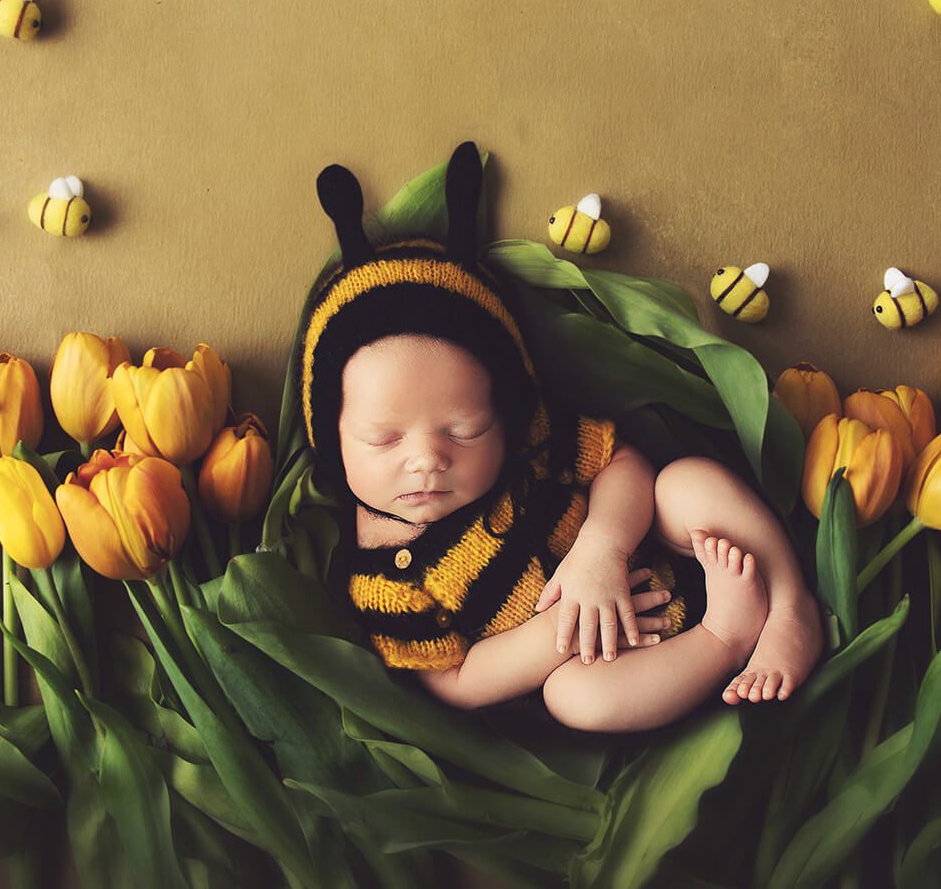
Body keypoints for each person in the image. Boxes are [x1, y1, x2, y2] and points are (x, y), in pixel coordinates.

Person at [299, 141, 824, 732]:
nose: (426, 458)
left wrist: (601, 549)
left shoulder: (531, 441)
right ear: (331, 435)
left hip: (663, 555)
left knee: (685, 482)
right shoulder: (384, 580)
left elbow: (621, 461)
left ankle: (787, 605)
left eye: (465, 430)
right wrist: (561, 628)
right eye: (382, 439)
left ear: (505, 411)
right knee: (577, 700)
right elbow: (457, 682)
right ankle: (726, 637)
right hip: (603, 658)